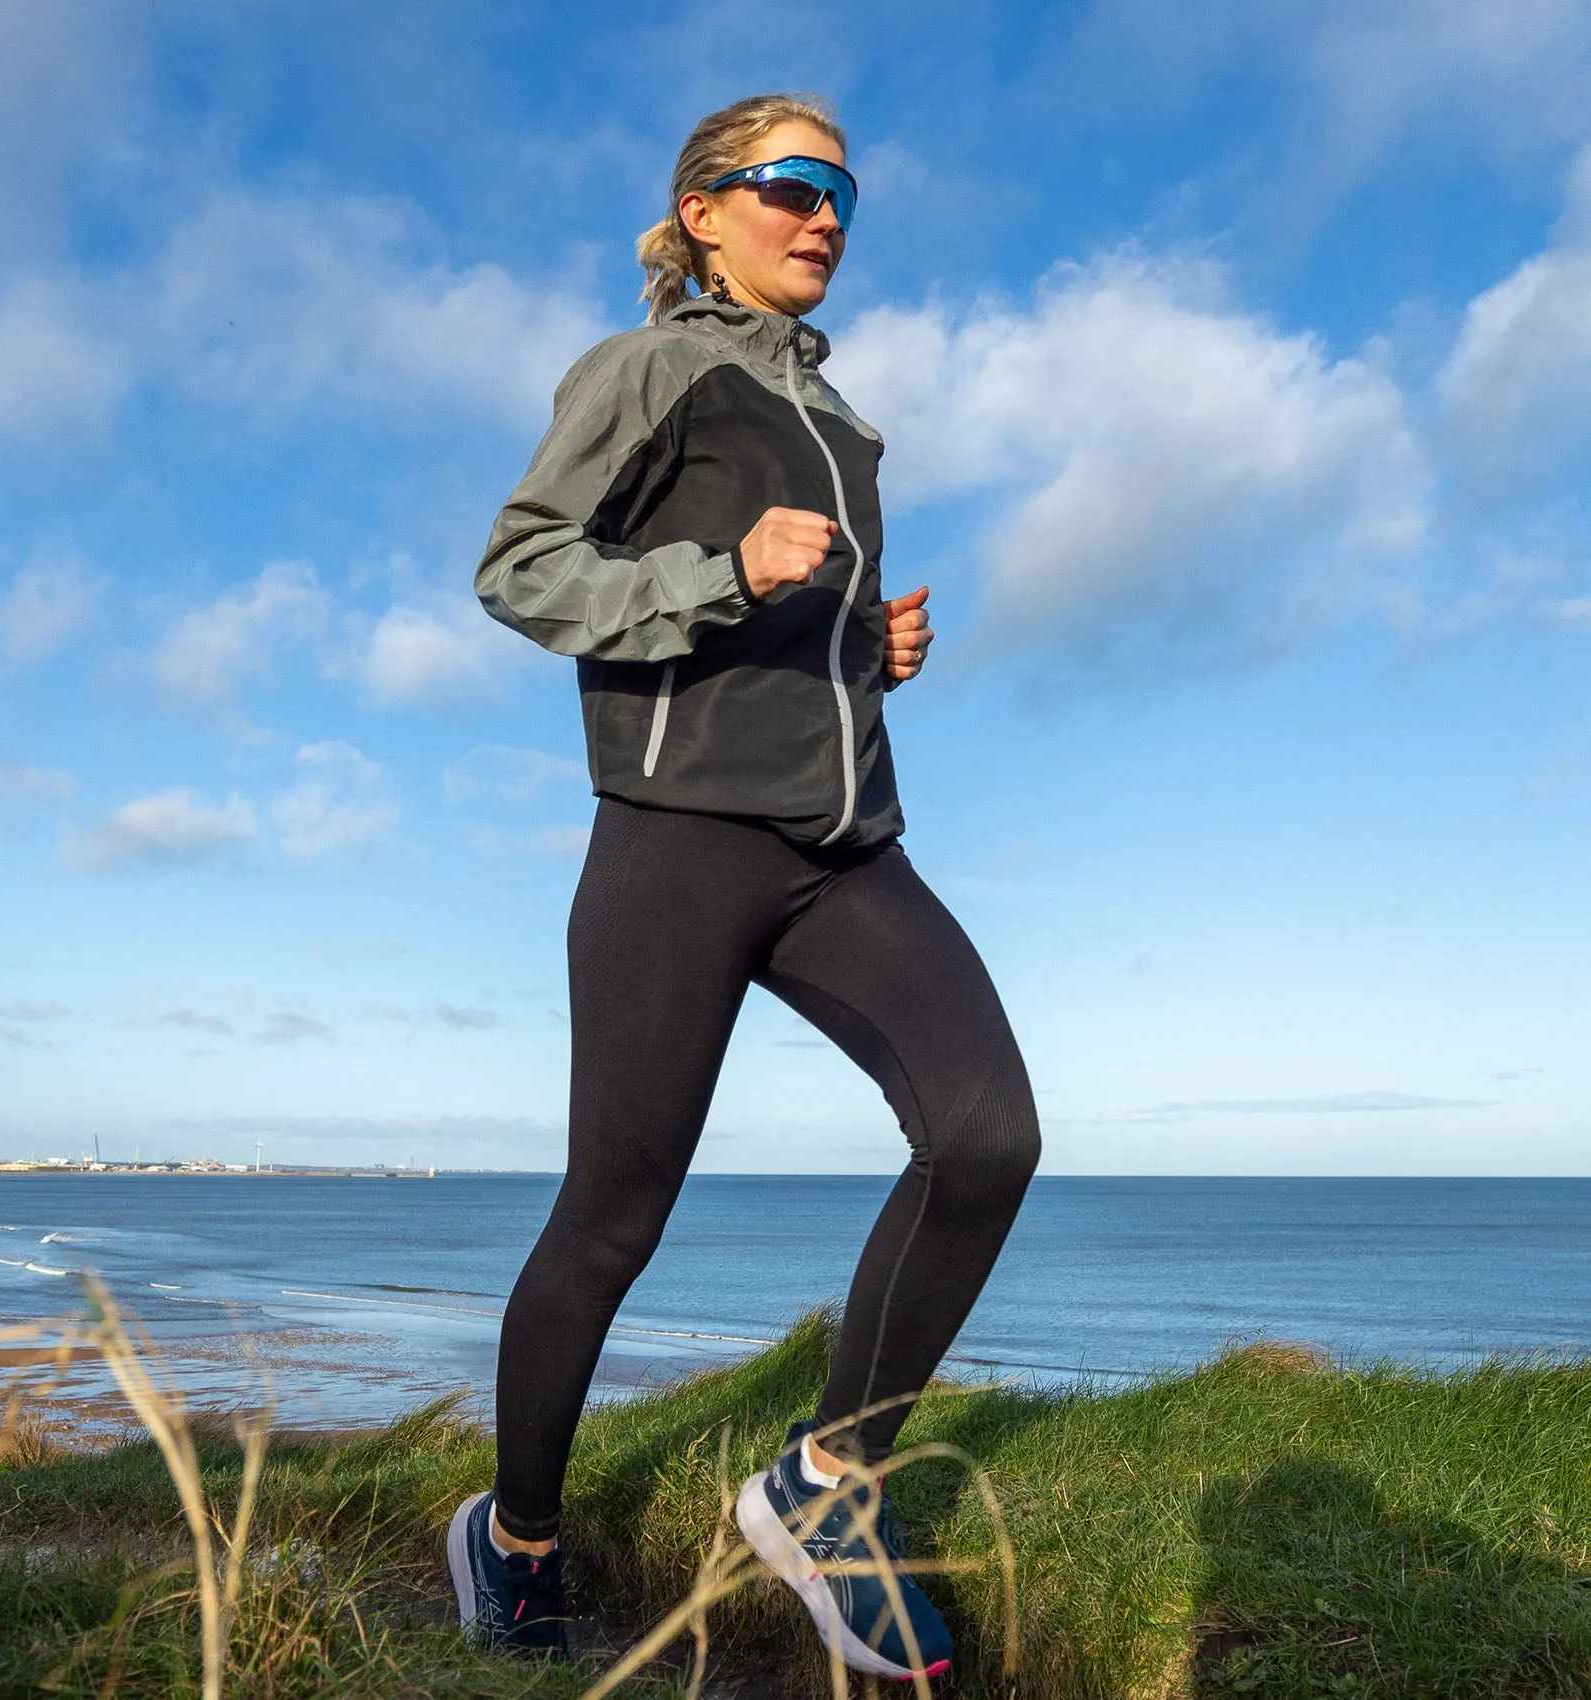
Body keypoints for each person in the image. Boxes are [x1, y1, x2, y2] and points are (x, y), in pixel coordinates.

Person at [446, 92, 1040, 1683]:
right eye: (791, 183)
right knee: (610, 1222)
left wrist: (872, 654)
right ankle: (514, 1541)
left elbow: (793, 651)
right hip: (679, 842)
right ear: (704, 209)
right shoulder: (648, 372)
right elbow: (520, 567)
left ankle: (827, 1487)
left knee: (989, 1137)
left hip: (847, 848)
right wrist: (727, 571)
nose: (826, 212)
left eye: (843, 189)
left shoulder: (847, 429)